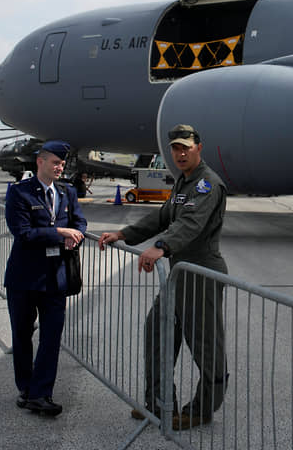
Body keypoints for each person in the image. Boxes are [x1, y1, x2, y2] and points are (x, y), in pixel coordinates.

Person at [98, 125, 228, 430]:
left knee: (205, 345)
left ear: (199, 147)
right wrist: (123, 233)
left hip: (201, 274)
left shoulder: (207, 184)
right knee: (157, 330)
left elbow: (191, 224)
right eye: (175, 148)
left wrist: (161, 246)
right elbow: (163, 216)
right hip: (180, 273)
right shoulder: (184, 182)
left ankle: (202, 409)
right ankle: (159, 405)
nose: (180, 153)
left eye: (186, 147)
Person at [4, 140, 87, 417]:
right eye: (55, 162)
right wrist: (61, 234)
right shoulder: (20, 193)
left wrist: (77, 235)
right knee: (22, 335)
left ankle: (41, 394)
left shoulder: (68, 192)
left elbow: (80, 222)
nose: (60, 167)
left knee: (51, 337)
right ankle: (26, 388)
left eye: (62, 164)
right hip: (24, 278)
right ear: (40, 162)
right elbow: (23, 233)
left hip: (55, 278)